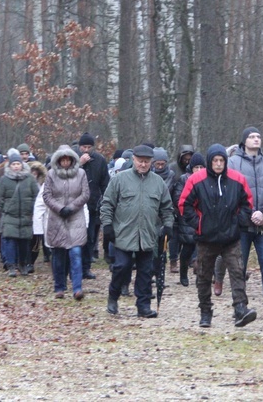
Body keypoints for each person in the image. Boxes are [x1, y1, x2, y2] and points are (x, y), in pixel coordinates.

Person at [180, 144, 257, 327]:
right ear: (209, 161)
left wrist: (239, 222)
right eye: (215, 160)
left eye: (221, 160)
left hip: (231, 237)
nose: (218, 164)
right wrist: (199, 224)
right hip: (206, 238)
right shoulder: (196, 180)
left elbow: (248, 204)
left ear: (226, 161)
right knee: (204, 276)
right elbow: (184, 205)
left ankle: (240, 308)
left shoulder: (237, 179)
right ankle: (205, 311)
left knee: (238, 271)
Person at [101, 145, 174, 318]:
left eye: (146, 162)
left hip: (148, 234)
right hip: (124, 234)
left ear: (152, 163)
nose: (143, 164)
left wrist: (168, 226)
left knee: (146, 271)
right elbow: (107, 204)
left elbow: (167, 208)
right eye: (140, 161)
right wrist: (107, 225)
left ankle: (143, 305)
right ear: (133, 160)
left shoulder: (158, 183)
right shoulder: (120, 180)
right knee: (122, 266)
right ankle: (113, 295)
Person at [226, 126, 263, 321]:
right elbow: (230, 191)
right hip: (241, 225)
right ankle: (240, 306)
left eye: (258, 136)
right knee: (238, 267)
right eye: (252, 137)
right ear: (244, 141)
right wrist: (248, 212)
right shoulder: (232, 163)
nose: (256, 139)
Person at [43, 145, 90, 299]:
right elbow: (47, 196)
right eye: (62, 160)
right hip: (57, 218)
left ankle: (77, 288)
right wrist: (60, 208)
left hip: (75, 217)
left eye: (67, 159)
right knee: (58, 254)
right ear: (57, 160)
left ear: (72, 160)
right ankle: (59, 287)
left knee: (76, 253)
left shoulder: (81, 174)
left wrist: (71, 207)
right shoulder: (50, 175)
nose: (65, 162)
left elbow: (85, 194)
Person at [0, 151, 39, 276]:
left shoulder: (30, 179)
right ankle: (11, 265)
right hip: (9, 215)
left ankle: (22, 264)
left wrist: (35, 212)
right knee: (10, 241)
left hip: (26, 215)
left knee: (24, 242)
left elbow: (36, 197)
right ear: (10, 165)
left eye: (18, 164)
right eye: (14, 164)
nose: (16, 166)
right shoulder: (4, 180)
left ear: (22, 165)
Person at [77, 132, 110, 278]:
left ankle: (86, 267)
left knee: (90, 238)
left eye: (89, 147)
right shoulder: (73, 160)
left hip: (93, 206)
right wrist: (80, 164)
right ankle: (74, 268)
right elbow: (68, 175)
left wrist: (105, 201)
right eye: (84, 146)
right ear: (79, 147)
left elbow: (105, 183)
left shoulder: (100, 160)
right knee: (76, 239)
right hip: (76, 207)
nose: (86, 150)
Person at [171, 152, 206, 287]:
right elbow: (178, 197)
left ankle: (202, 276)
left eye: (200, 167)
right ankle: (183, 273)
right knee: (187, 249)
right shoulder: (183, 179)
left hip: (203, 218)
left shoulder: (208, 179)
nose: (198, 170)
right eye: (195, 167)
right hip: (187, 218)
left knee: (204, 250)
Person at [152, 147, 178, 272]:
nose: (160, 167)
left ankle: (161, 267)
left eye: (163, 164)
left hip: (165, 212)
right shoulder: (148, 175)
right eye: (158, 164)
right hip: (151, 212)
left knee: (163, 240)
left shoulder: (171, 176)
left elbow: (173, 193)